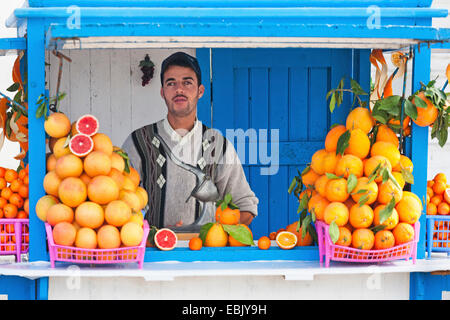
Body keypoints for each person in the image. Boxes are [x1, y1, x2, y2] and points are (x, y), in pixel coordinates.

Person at [122, 51, 258, 229]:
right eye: (171, 83)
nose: (179, 89)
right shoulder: (138, 141)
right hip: (151, 253)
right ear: (163, 92)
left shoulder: (218, 145)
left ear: (200, 91)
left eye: (187, 82)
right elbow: (119, 202)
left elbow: (246, 206)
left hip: (204, 253)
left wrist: (211, 230)